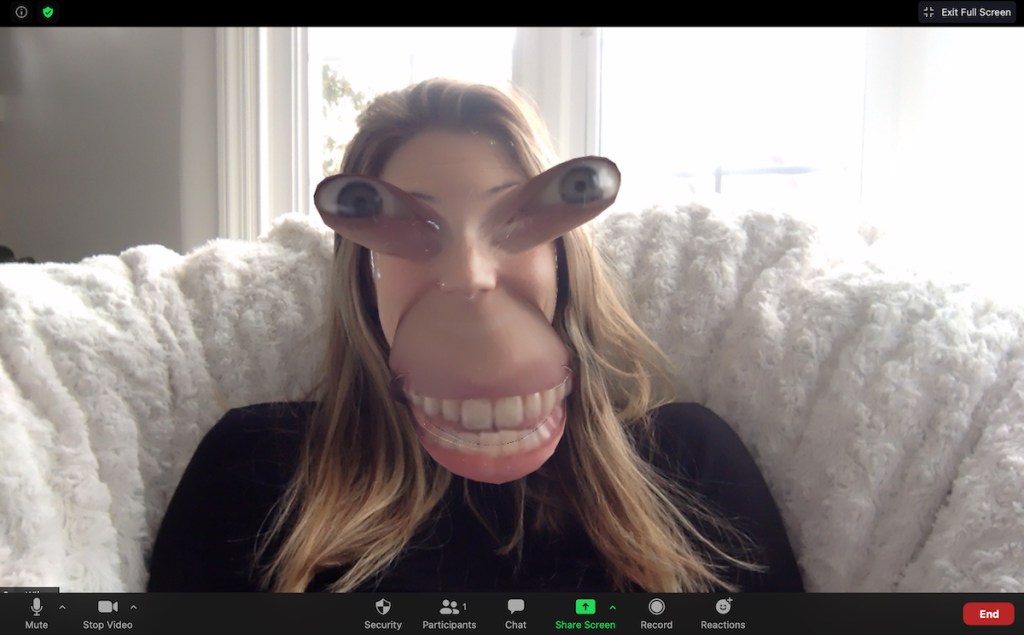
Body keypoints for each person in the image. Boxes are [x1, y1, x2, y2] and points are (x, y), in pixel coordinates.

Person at [147, 78, 804, 593]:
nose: (469, 275)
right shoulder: (254, 471)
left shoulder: (691, 467)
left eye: (513, 221)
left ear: (563, 258)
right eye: (410, 229)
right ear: (363, 277)